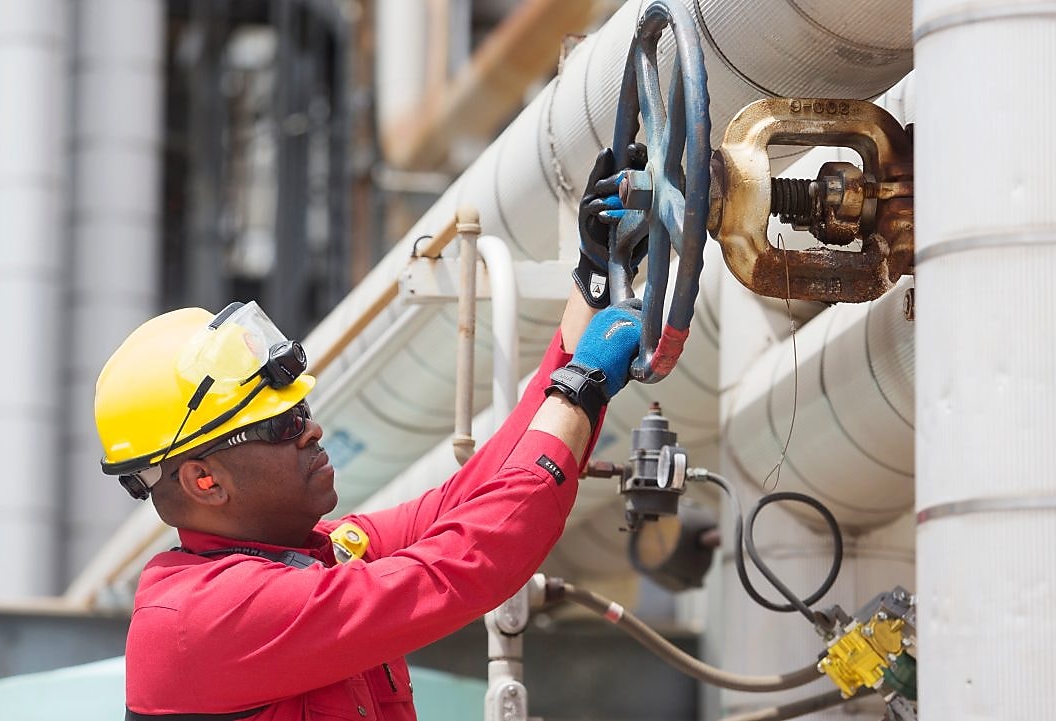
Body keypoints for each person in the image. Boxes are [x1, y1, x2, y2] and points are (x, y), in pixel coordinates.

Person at [94, 147, 648, 721]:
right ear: (204, 479)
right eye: (282, 425)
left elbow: (471, 499)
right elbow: (472, 558)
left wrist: (591, 289)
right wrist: (580, 388)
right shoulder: (206, 617)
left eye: (302, 411)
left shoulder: (317, 555)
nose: (311, 431)